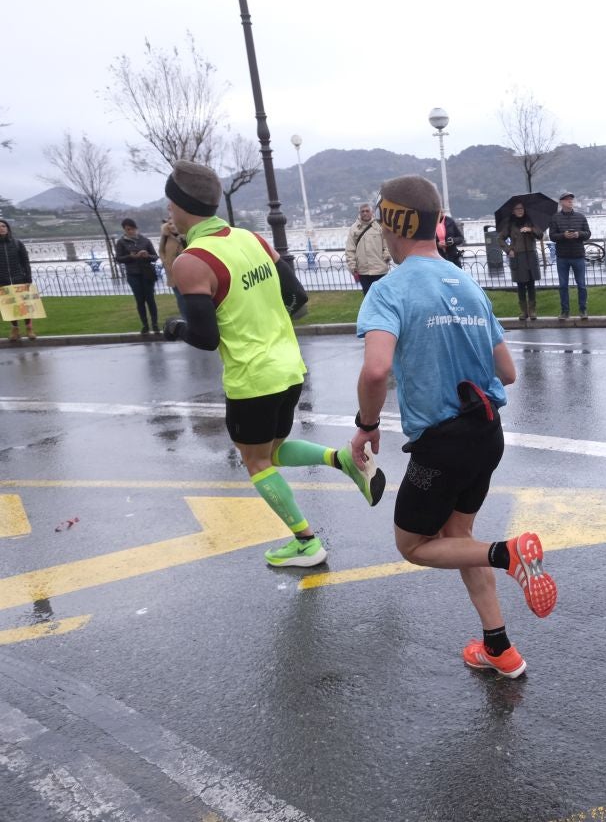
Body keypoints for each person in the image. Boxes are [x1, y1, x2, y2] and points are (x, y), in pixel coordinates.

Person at [352, 174, 555, 678]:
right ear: (435, 222)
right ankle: (499, 648)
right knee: (457, 534)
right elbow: (507, 371)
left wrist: (366, 425)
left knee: (415, 546)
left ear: (389, 221)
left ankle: (507, 554)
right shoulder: (468, 285)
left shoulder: (388, 290)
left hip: (441, 444)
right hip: (487, 434)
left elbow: (376, 369)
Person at [159, 160, 383, 568]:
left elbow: (206, 339)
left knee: (256, 461)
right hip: (289, 368)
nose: (168, 212)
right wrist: (265, 319)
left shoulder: (191, 262)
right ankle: (342, 460)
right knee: (274, 451)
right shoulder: (251, 239)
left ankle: (306, 542)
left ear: (178, 206)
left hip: (251, 378)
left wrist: (175, 328)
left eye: (169, 205)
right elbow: (297, 299)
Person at [114, 218, 161, 335]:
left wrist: (146, 255)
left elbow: (155, 256)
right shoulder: (121, 242)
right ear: (124, 230)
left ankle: (155, 324)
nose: (131, 231)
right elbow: (118, 259)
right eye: (128, 229)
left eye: (132, 229)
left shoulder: (145, 240)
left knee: (150, 299)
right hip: (133, 274)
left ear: (136, 228)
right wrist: (131, 257)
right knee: (140, 300)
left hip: (147, 273)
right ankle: (145, 325)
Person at [550, 191, 590, 320]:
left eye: (571, 199)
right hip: (562, 256)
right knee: (563, 285)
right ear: (562, 202)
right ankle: (565, 311)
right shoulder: (555, 218)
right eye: (567, 200)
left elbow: (588, 233)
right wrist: (564, 236)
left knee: (581, 285)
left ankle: (583, 310)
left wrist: (578, 234)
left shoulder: (581, 217)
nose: (570, 201)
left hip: (578, 255)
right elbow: (552, 236)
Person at [499, 202, 541, 320]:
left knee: (531, 284)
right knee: (521, 285)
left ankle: (532, 311)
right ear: (513, 211)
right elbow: (500, 238)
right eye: (517, 209)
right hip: (517, 256)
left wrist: (530, 229)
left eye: (521, 208)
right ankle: (524, 311)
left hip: (530, 255)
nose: (520, 210)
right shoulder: (510, 224)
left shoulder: (530, 221)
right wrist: (508, 250)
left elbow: (540, 235)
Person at [0, 219, 35, 342]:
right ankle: (15, 329)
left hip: (19, 278)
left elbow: (25, 262)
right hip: (3, 281)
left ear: (8, 228)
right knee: (10, 306)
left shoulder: (17, 243)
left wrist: (28, 278)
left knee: (24, 305)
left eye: (3, 226)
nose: (1, 228)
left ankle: (29, 328)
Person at [345, 203, 392, 294]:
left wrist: (386, 256)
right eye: (363, 211)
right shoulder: (354, 229)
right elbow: (350, 249)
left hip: (380, 269)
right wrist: (352, 265)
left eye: (367, 211)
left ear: (372, 212)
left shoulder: (380, 226)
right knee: (368, 296)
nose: (365, 213)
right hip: (363, 271)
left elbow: (387, 244)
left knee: (382, 295)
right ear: (359, 213)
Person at [160, 217, 188, 316]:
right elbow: (161, 251)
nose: (172, 226)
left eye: (174, 224)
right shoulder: (166, 237)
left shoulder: (186, 236)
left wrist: (182, 240)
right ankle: (185, 321)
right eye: (170, 224)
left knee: (190, 299)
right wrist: (165, 261)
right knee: (180, 299)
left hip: (187, 273)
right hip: (172, 273)